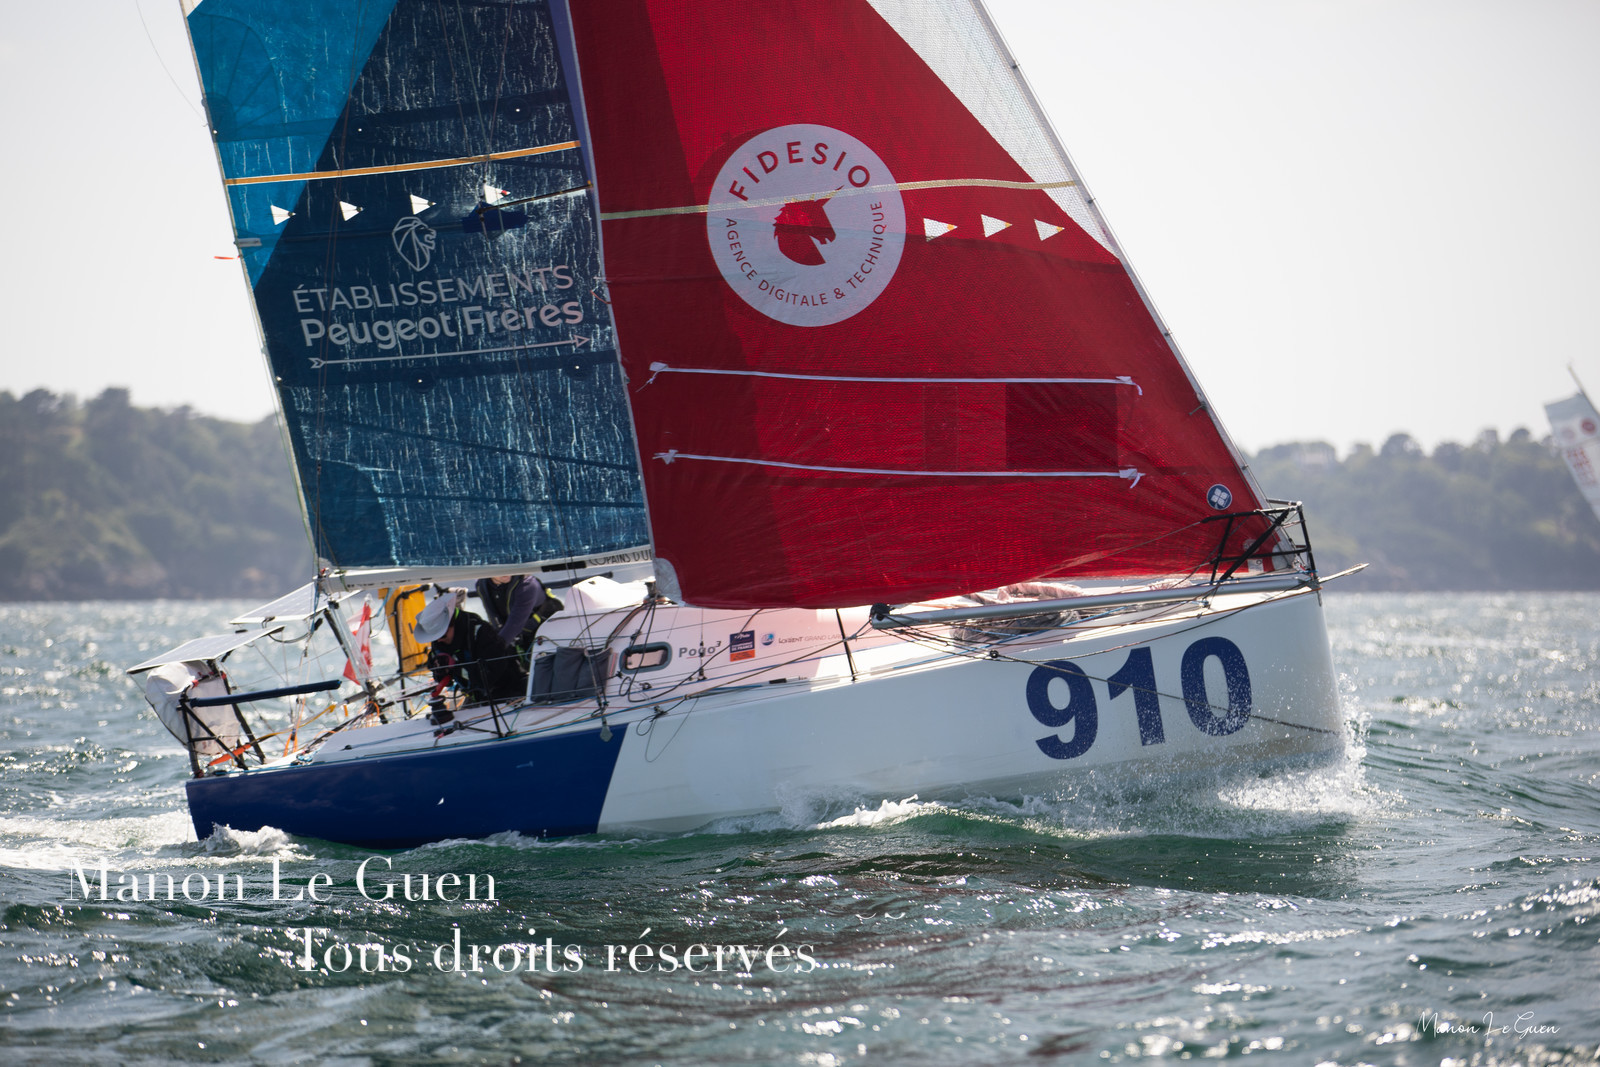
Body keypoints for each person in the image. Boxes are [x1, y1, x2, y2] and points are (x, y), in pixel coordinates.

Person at [412, 590, 527, 708]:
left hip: (507, 694)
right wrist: (439, 670)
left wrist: (455, 667)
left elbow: (488, 677)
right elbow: (441, 675)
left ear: (453, 624)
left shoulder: (483, 633)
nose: (439, 641)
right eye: (435, 638)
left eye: (442, 635)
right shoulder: (440, 642)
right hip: (476, 696)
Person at [475, 575, 563, 655]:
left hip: (547, 633)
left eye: (508, 566)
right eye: (498, 569)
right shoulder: (482, 585)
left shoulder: (527, 584)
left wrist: (496, 649)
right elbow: (494, 618)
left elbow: (515, 623)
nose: (506, 572)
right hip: (518, 636)